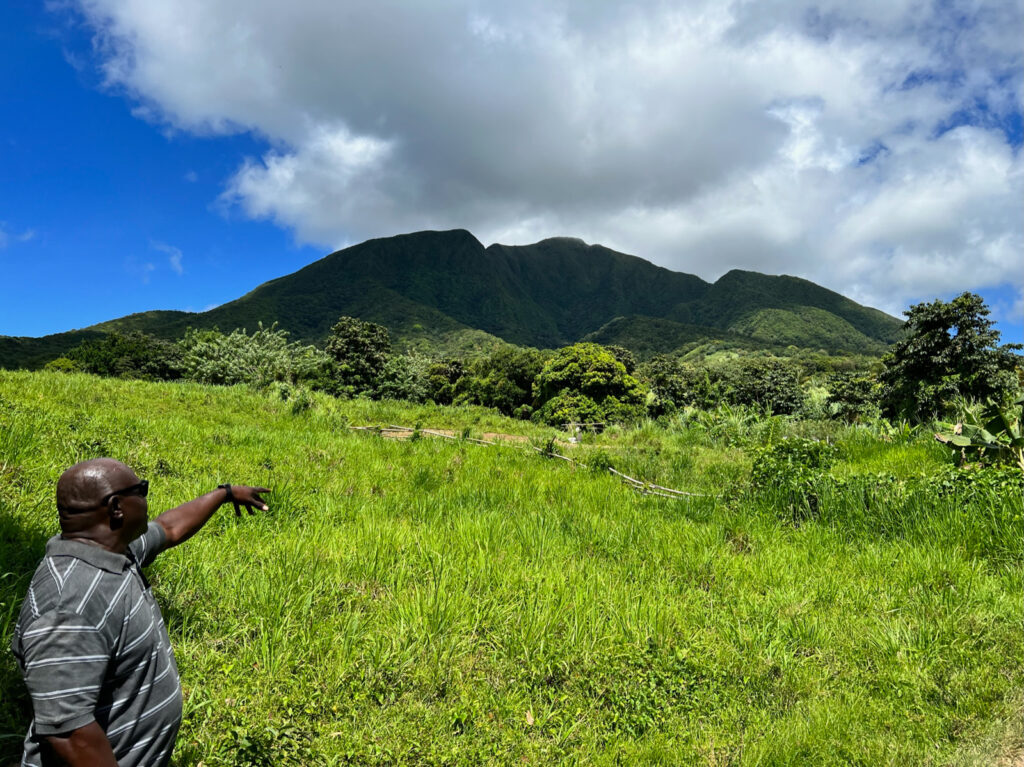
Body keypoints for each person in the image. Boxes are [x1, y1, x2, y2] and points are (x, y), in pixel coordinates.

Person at [11, 457, 270, 767]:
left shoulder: (113, 553)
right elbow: (69, 733)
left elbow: (169, 528)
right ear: (116, 507)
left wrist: (225, 493)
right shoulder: (68, 606)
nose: (147, 497)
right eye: (141, 489)